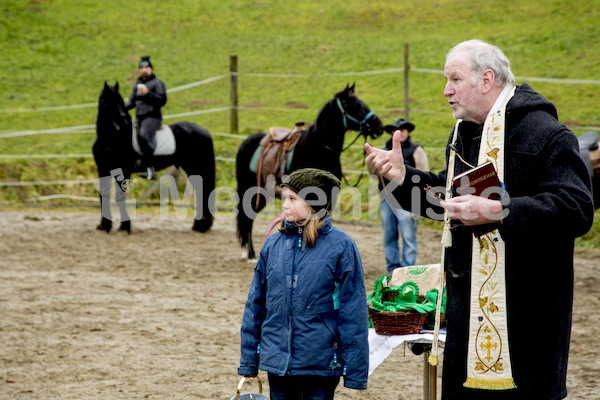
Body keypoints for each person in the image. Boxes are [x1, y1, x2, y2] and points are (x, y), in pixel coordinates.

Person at [365, 39, 594, 399]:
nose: (445, 91)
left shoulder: (547, 133)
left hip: (527, 333)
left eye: (454, 79)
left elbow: (576, 208)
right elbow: (448, 200)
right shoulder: (465, 134)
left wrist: (500, 210)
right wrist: (400, 178)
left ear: (486, 80)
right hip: (466, 332)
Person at [238, 168, 369, 400]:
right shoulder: (273, 244)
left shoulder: (342, 247)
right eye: (284, 198)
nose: (285, 205)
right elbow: (255, 303)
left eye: (292, 199)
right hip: (277, 362)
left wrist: (355, 371)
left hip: (321, 363)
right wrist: (249, 359)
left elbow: (353, 310)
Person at [371, 118, 429, 275]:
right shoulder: (382, 150)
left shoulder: (416, 150)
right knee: (389, 234)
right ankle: (393, 269)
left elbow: (424, 174)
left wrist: (420, 200)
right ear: (392, 133)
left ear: (407, 131)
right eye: (397, 130)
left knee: (408, 234)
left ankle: (407, 268)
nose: (401, 133)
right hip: (386, 198)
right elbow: (373, 174)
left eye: (403, 130)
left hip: (409, 199)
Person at [125, 55, 167, 180]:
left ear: (151, 69)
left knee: (144, 135)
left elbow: (162, 100)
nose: (144, 70)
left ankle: (149, 168)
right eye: (142, 67)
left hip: (152, 117)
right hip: (139, 118)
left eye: (147, 67)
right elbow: (131, 102)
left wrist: (148, 94)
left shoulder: (157, 83)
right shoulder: (137, 84)